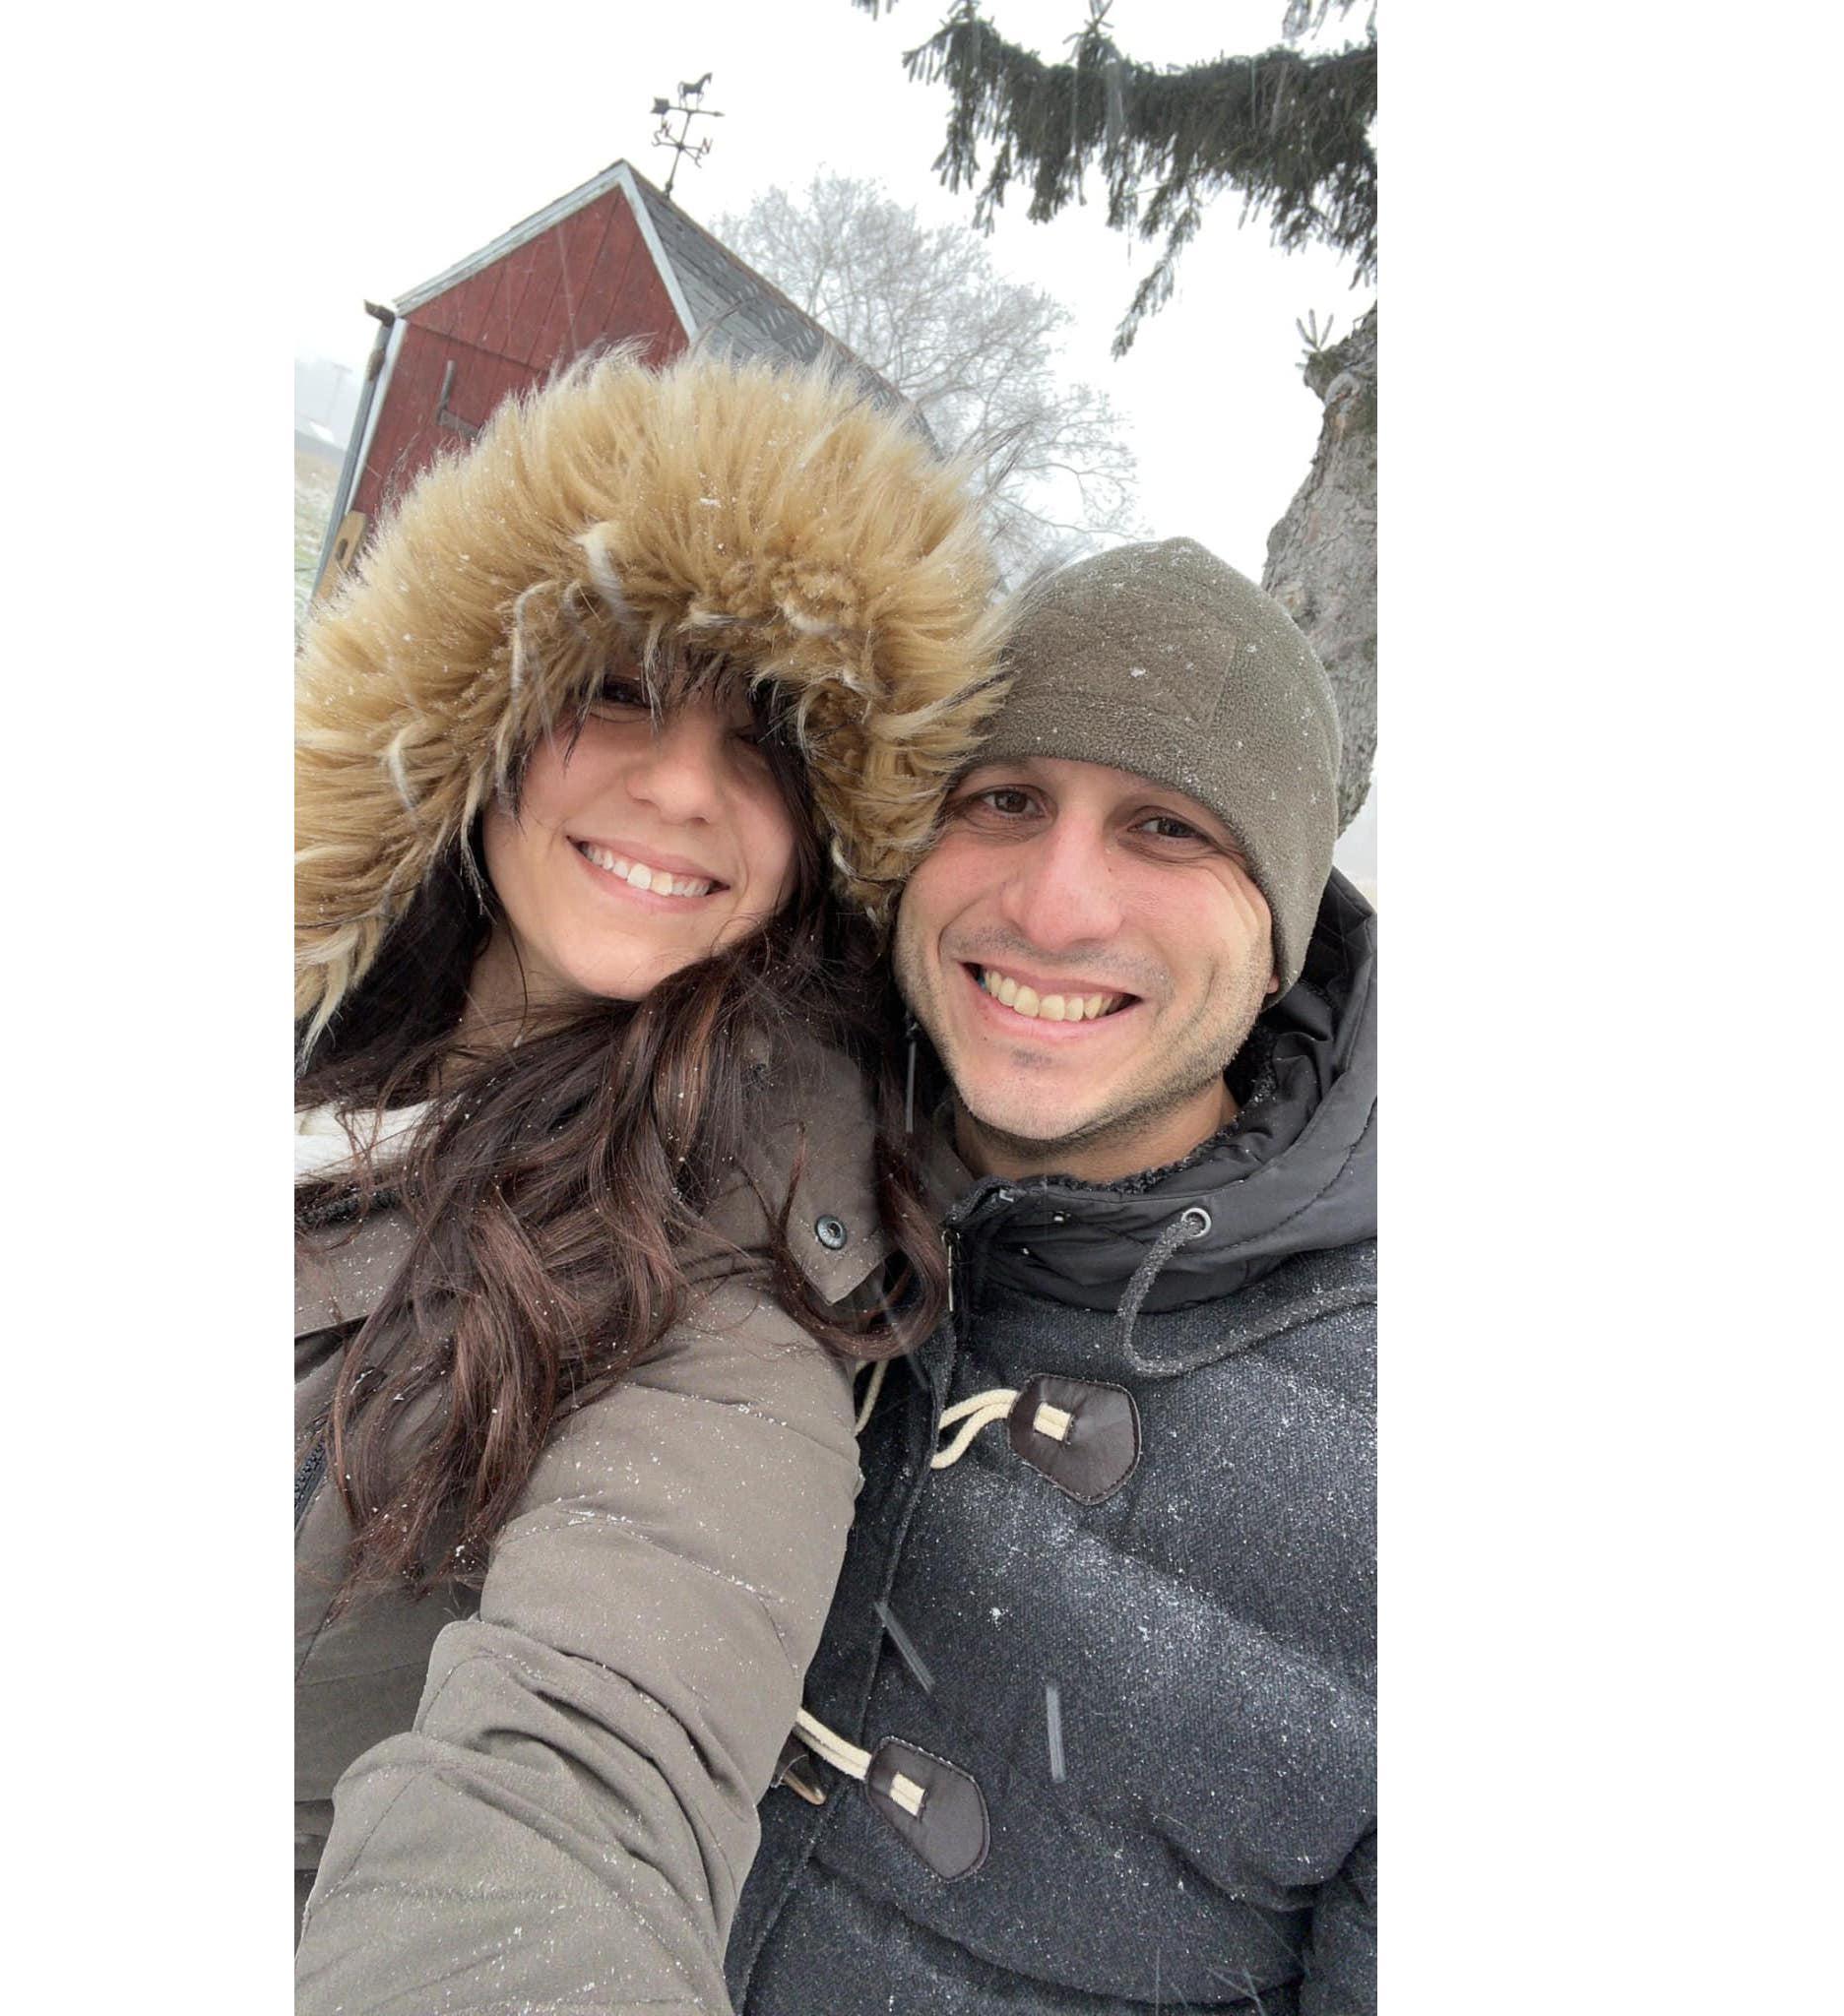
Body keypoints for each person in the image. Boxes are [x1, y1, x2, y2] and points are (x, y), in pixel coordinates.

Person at [290, 348, 1007, 2012]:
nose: (683, 785)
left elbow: (594, 1779)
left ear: (822, 843)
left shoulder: (741, 1261)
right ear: (476, 731)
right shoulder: (322, 1035)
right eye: (617, 691)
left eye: (764, 744)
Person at [727, 539, 1377, 2013]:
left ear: (1280, 932)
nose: (1057, 904)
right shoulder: (719, 1172)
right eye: (1003, 799)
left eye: (1168, 828)